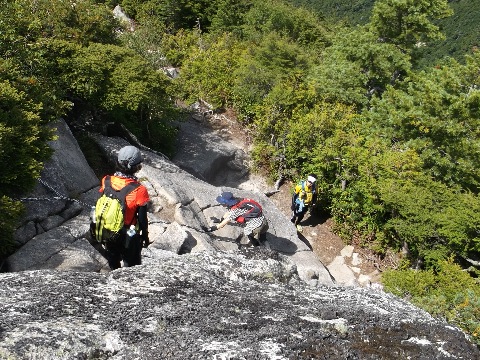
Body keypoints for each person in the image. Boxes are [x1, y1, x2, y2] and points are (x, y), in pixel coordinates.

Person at [99, 145, 150, 269]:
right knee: (132, 265)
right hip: (129, 234)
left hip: (109, 230)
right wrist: (145, 236)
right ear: (137, 167)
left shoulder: (106, 180)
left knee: (113, 259)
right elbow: (142, 219)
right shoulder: (139, 190)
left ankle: (114, 277)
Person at [203, 192, 269, 247]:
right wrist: (221, 220)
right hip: (263, 220)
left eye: (222, 203)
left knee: (247, 232)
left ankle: (257, 247)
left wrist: (209, 229)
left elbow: (222, 225)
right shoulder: (239, 201)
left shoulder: (235, 211)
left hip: (257, 226)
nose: (221, 204)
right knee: (263, 239)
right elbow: (228, 213)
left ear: (226, 203)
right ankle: (268, 248)